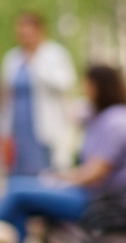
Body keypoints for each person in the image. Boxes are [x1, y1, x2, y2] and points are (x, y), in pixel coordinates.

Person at [0, 64, 126, 243]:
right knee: (20, 199)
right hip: (95, 197)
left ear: (99, 87)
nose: (83, 89)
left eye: (87, 84)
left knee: (17, 192)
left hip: (103, 205)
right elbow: (73, 114)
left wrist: (58, 179)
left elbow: (95, 174)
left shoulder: (117, 122)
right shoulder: (104, 116)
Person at [2, 11, 77, 177]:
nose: (25, 38)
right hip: (18, 129)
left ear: (40, 32)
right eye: (21, 34)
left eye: (29, 33)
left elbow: (65, 83)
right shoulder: (12, 58)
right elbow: (7, 97)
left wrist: (35, 62)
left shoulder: (55, 54)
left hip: (45, 127)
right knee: (18, 173)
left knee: (46, 173)